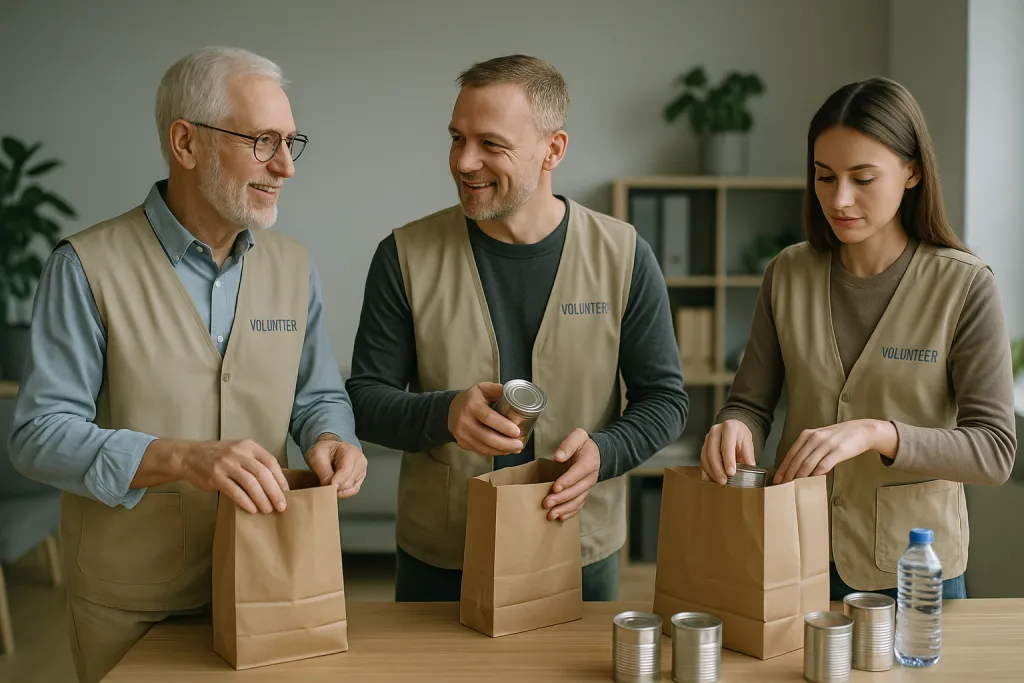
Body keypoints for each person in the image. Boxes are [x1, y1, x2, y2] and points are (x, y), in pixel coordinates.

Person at [8, 46, 367, 683]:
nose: (285, 166)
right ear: (185, 143)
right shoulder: (85, 267)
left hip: (267, 584)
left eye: (290, 143)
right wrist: (181, 458)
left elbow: (317, 395)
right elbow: (38, 436)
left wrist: (333, 437)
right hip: (130, 600)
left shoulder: (294, 266)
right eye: (262, 141)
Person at [346, 54, 688, 602]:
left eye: (491, 144)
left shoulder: (624, 255)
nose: (465, 161)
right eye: (457, 139)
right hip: (444, 556)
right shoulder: (403, 256)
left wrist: (606, 452)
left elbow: (665, 401)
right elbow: (364, 399)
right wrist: (445, 414)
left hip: (578, 549)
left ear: (553, 149)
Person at [700, 77, 1017, 600]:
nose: (839, 199)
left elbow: (994, 450)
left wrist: (877, 433)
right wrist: (733, 425)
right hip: (796, 552)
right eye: (824, 177)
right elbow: (750, 404)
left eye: (863, 178)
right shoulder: (787, 273)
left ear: (912, 171)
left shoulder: (965, 286)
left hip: (913, 567)